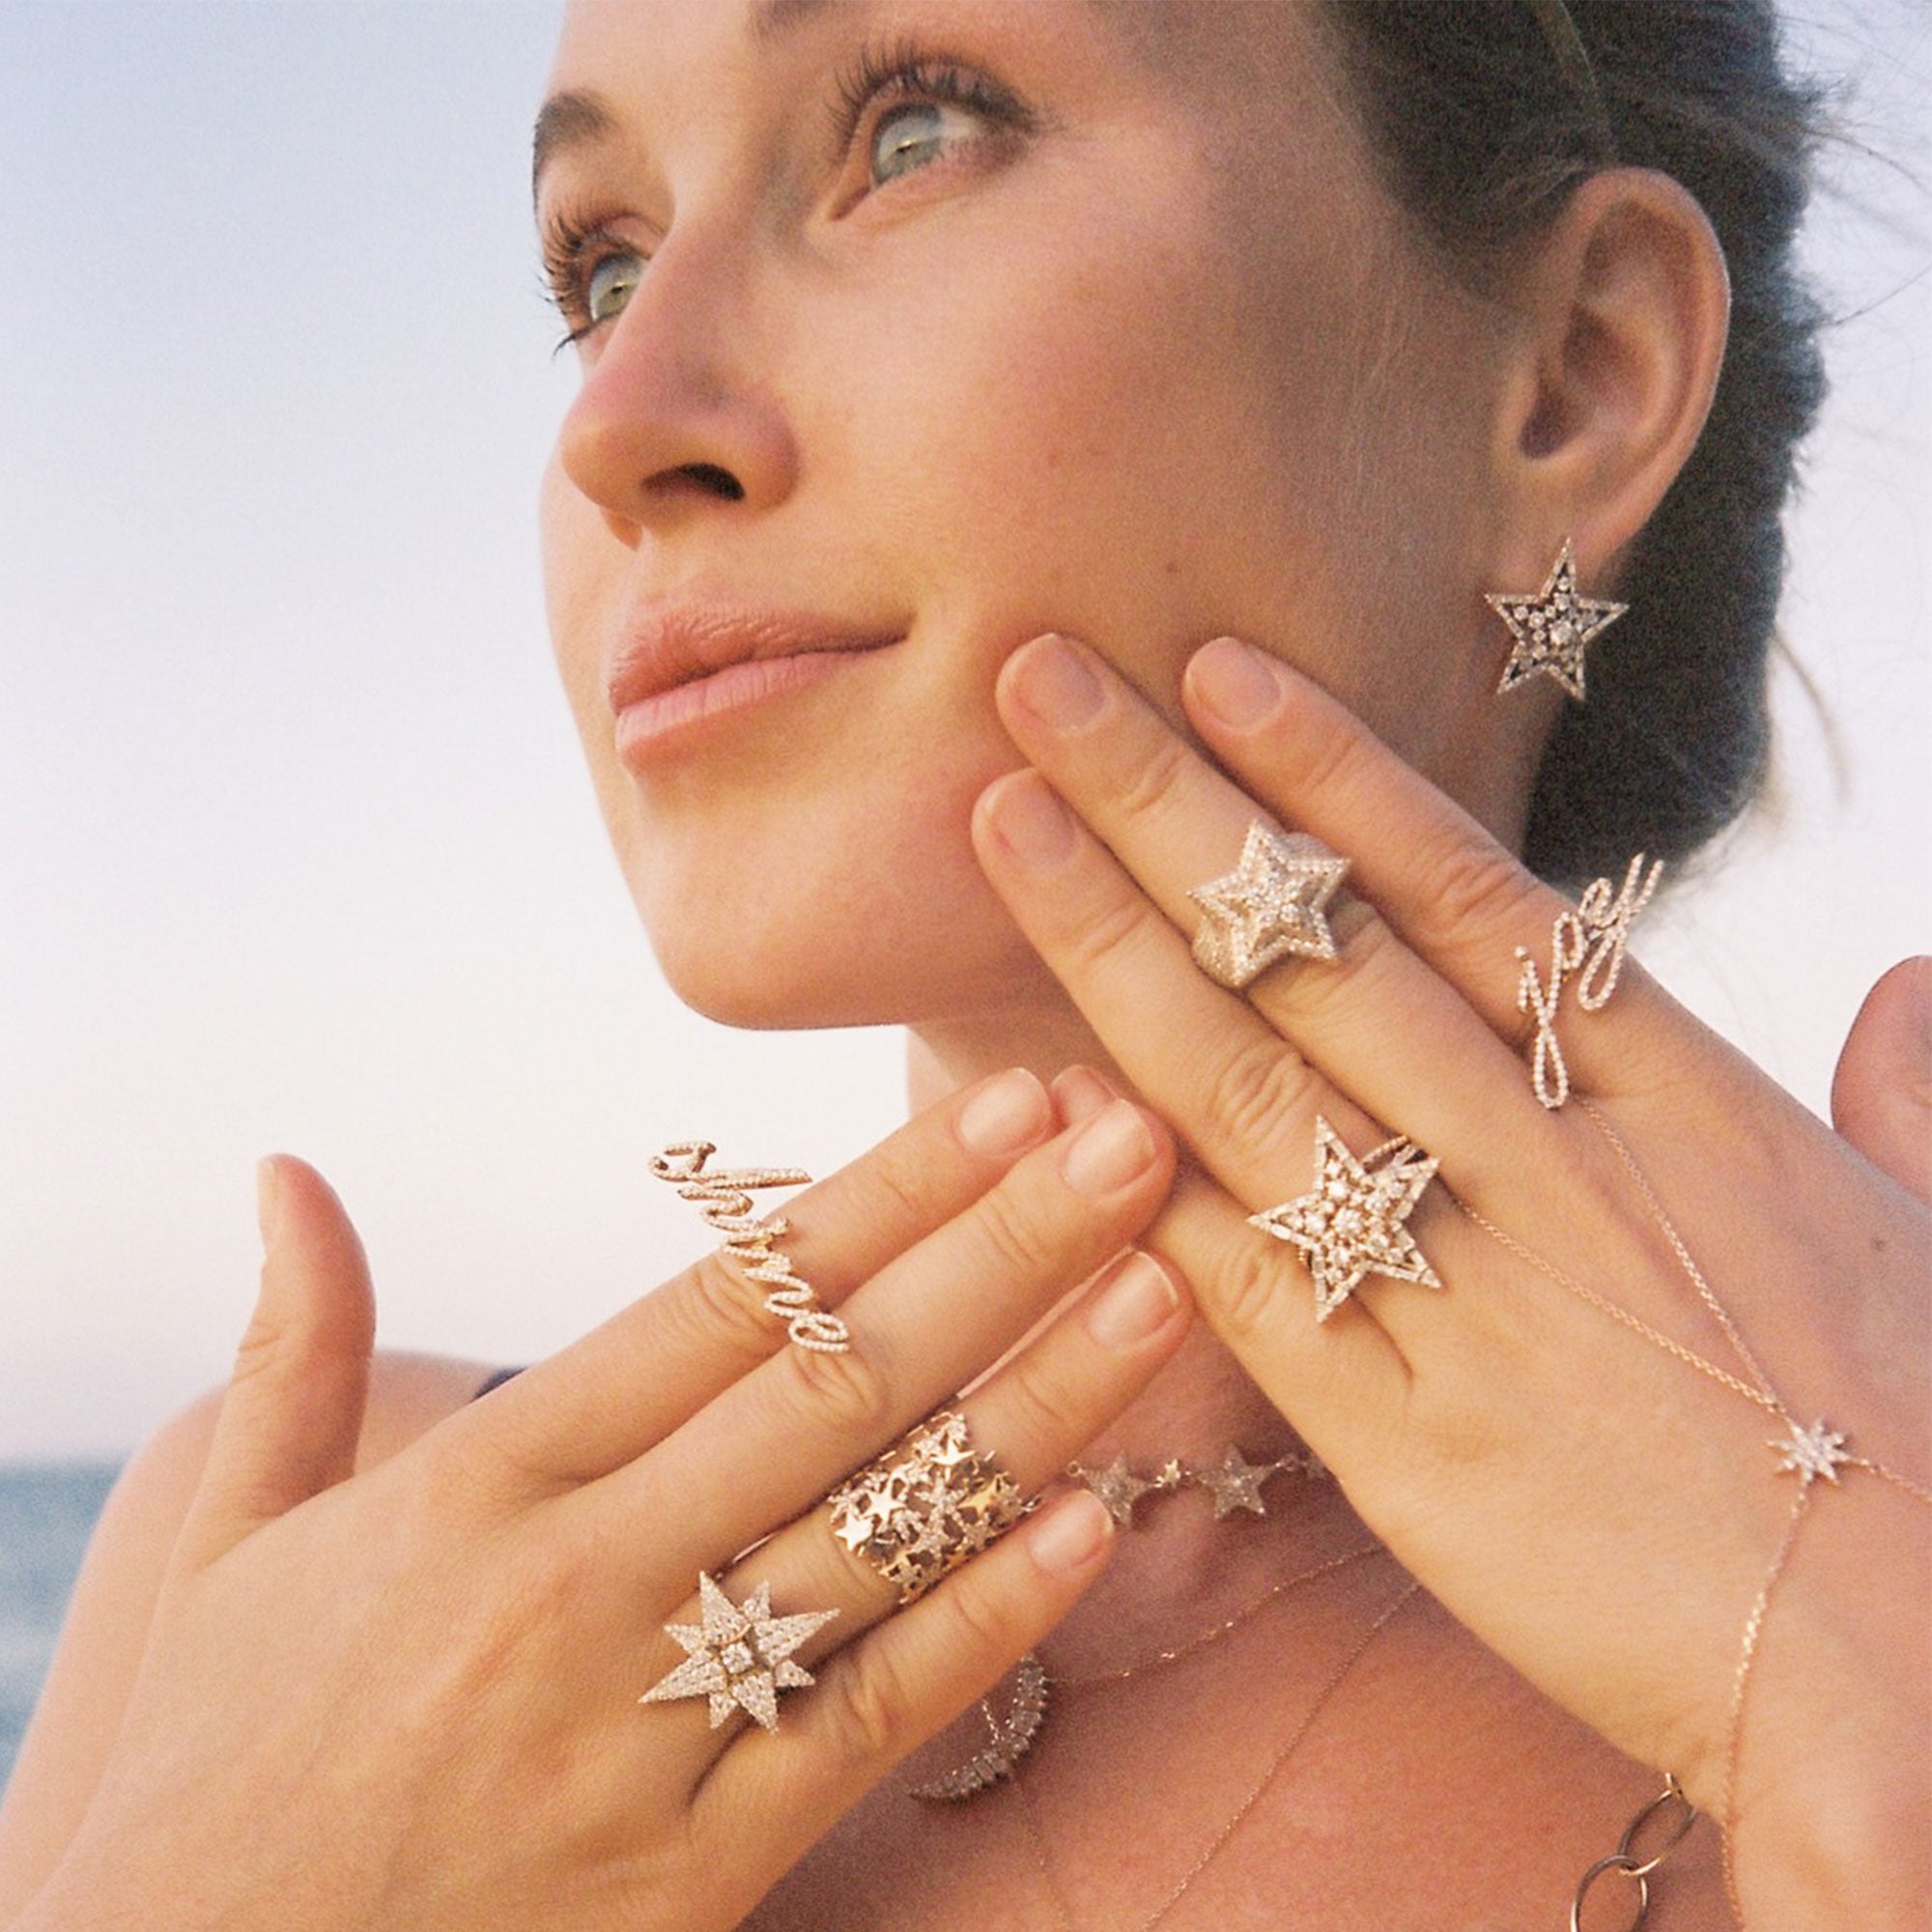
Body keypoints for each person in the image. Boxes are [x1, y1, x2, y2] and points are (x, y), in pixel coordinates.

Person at [1, 1, 1924, 1926]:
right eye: (601, 268)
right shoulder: (277, 1589)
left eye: (915, 133)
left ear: (1577, 374)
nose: (616, 422)